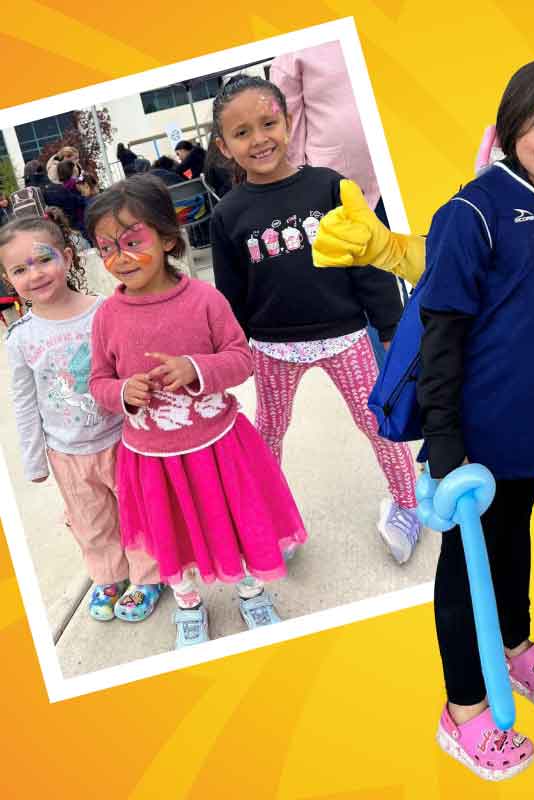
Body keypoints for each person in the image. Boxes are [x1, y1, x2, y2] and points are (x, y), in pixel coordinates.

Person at [318, 58, 534, 780]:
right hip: (476, 433)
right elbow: (439, 329)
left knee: (512, 544)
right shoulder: (472, 212)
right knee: (465, 567)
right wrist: (444, 442)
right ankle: (464, 711)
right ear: (510, 126)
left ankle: (514, 641)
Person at [205, 75, 421, 564]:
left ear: (288, 122)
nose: (258, 139)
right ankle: (270, 519)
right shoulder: (228, 215)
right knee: (269, 432)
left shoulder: (330, 187)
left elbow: (366, 261)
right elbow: (231, 293)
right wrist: (228, 353)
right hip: (271, 347)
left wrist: (392, 326)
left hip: (345, 337)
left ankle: (407, 505)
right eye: (242, 133)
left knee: (377, 422)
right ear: (224, 146)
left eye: (268, 123)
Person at [85, 175, 307, 648]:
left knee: (235, 521)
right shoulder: (107, 316)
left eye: (131, 241)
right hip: (151, 458)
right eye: (106, 247)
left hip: (217, 446)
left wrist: (197, 369)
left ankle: (249, 590)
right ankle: (187, 602)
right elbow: (98, 383)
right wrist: (124, 392)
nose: (119, 257)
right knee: (172, 535)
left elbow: (241, 358)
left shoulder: (205, 300)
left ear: (167, 238)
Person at [1, 213, 163, 623]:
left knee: (137, 512)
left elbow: (131, 369)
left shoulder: (106, 311)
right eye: (20, 269)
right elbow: (24, 402)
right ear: (7, 280)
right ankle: (110, 575)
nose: (34, 274)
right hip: (67, 453)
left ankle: (148, 575)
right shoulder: (20, 337)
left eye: (43, 260)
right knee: (92, 523)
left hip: (122, 440)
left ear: (68, 257)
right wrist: (34, 459)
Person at [271, 41, 394, 365]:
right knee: (369, 292)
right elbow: (290, 127)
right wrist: (301, 190)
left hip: (396, 172)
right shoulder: (293, 49)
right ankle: (395, 389)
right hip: (343, 192)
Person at [43, 161, 87, 233]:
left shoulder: (63, 185)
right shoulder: (74, 182)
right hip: (80, 214)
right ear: (71, 170)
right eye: (75, 167)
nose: (77, 169)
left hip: (72, 218)